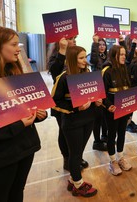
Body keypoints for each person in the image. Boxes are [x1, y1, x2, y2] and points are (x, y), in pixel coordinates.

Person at [0, 26, 48, 202]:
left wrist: (37, 115)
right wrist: (20, 124)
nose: (18, 49)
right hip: (0, 158)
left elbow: (22, 112)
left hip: (25, 148)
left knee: (17, 192)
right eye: (14, 44)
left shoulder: (15, 73)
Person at [51, 45, 100, 197]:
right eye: (81, 58)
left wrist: (97, 100)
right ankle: (78, 184)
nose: (85, 61)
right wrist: (75, 108)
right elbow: (55, 102)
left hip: (89, 119)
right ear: (72, 59)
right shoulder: (63, 78)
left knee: (78, 153)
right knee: (75, 154)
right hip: (72, 123)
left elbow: (94, 93)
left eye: (85, 57)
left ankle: (73, 181)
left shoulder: (89, 74)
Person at [47, 36, 89, 171]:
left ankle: (76, 157)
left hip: (79, 104)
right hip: (64, 103)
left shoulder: (79, 57)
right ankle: (67, 158)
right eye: (71, 38)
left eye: (75, 38)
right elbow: (54, 71)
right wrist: (62, 50)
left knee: (77, 136)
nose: (74, 40)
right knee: (64, 133)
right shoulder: (57, 57)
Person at [102, 45, 132, 175]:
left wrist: (135, 98)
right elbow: (102, 93)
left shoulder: (124, 68)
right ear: (114, 55)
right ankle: (113, 161)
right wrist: (108, 105)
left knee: (122, 132)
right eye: (121, 54)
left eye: (125, 54)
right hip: (111, 110)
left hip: (124, 108)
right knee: (112, 134)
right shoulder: (106, 71)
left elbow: (128, 88)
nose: (124, 57)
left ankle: (120, 157)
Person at [90, 34, 108, 151]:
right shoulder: (93, 57)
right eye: (99, 45)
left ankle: (104, 137)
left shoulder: (107, 57)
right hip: (97, 90)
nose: (101, 47)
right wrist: (95, 44)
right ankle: (97, 141)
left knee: (105, 117)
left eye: (103, 45)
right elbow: (94, 59)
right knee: (98, 118)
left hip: (106, 90)